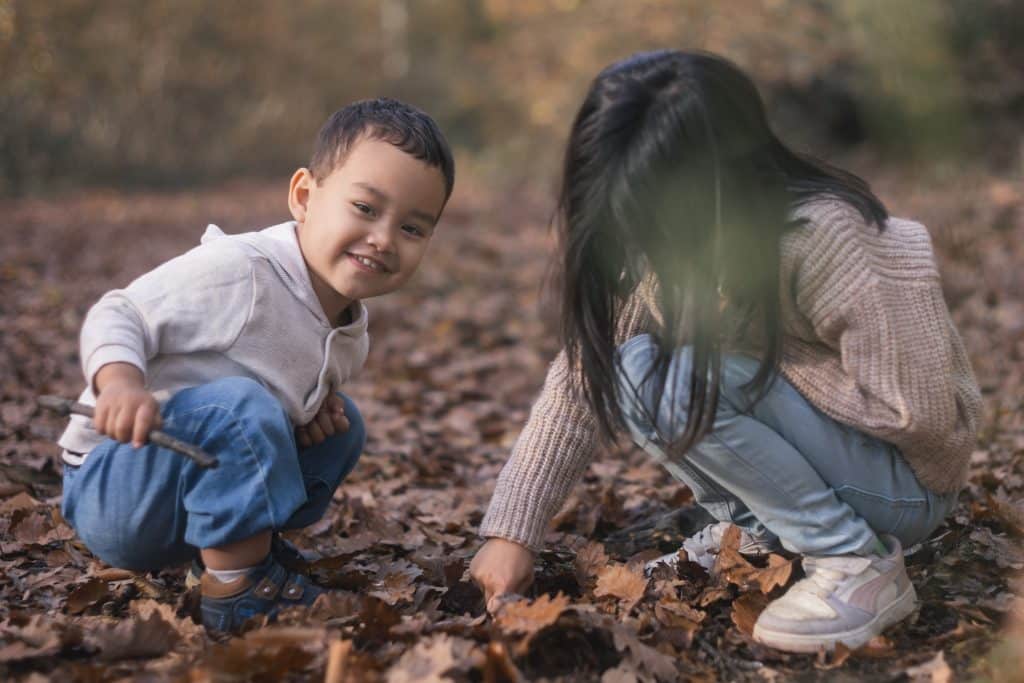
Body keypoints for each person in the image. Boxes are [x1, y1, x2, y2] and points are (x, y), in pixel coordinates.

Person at [470, 50, 980, 653]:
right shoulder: (661, 247)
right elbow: (585, 381)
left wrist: (750, 365)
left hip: (907, 485)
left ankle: (855, 561)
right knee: (637, 372)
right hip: (840, 470)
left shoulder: (828, 236)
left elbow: (923, 421)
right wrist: (513, 532)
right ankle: (761, 532)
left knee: (678, 378)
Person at [58, 98, 455, 633]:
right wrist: (120, 384)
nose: (383, 238)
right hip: (118, 481)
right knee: (240, 407)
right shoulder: (241, 272)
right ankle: (237, 588)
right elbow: (120, 311)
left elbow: (270, 391)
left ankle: (235, 550)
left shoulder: (349, 330)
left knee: (343, 425)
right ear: (304, 197)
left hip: (184, 490)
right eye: (365, 208)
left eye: (411, 229)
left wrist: (305, 416)